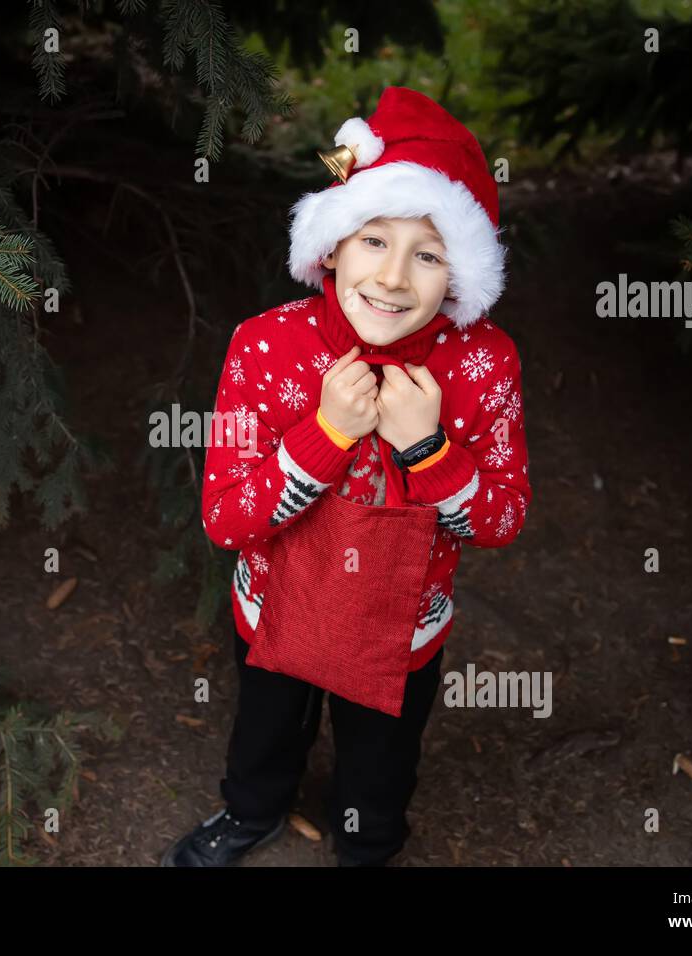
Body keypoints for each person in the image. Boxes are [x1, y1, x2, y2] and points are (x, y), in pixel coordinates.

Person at [160, 86, 532, 867]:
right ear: (330, 246)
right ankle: (251, 811)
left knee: (381, 763)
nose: (394, 278)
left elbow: (499, 520)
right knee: (267, 729)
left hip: (405, 631)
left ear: (459, 277)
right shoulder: (264, 345)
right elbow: (227, 520)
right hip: (274, 612)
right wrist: (326, 435)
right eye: (373, 240)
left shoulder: (484, 363)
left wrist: (428, 450)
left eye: (428, 254)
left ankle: (367, 840)